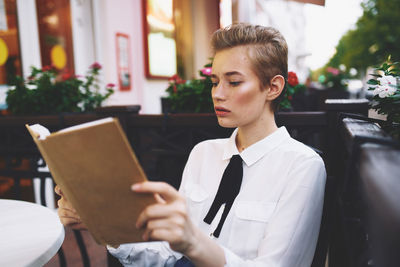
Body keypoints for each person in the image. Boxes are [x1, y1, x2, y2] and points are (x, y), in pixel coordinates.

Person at [56, 23, 326, 267]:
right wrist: (103, 226)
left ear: (273, 87)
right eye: (214, 81)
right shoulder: (203, 153)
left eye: (233, 82)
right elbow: (169, 255)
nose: (218, 94)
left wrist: (193, 244)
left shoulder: (301, 166)